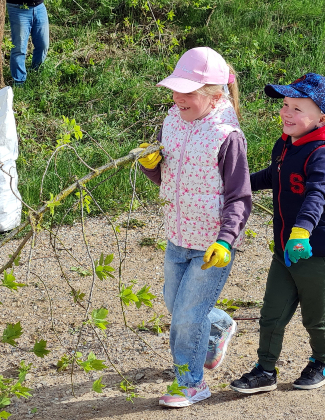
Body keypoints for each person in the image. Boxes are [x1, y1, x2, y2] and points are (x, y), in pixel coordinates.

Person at [136, 47, 251, 408]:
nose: (177, 98)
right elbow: (169, 180)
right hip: (178, 234)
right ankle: (218, 327)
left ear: (214, 95)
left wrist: (226, 240)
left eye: (187, 92)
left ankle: (191, 383)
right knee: (176, 304)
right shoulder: (173, 119)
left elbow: (239, 197)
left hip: (211, 245)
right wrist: (152, 166)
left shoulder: (227, 136)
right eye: (175, 89)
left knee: (186, 317)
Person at [230, 73, 325, 394]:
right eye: (285, 104)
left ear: (322, 119)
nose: (287, 112)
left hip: (319, 250)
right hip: (286, 248)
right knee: (271, 313)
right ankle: (265, 371)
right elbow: (274, 175)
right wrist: (237, 184)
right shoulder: (287, 144)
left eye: (298, 108)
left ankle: (324, 362)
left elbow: (318, 194)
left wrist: (302, 232)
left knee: (315, 317)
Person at [6, 0, 49, 86]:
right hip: (18, 8)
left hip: (39, 6)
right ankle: (19, 82)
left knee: (43, 44)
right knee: (19, 48)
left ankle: (35, 72)